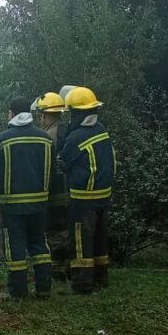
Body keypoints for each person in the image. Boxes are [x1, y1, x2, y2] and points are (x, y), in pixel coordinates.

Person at [0, 96, 54, 299]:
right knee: (39, 244)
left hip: (12, 205)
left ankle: (17, 291)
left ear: (12, 113)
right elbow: (54, 169)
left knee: (15, 245)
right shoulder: (46, 138)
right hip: (40, 203)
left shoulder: (1, 140)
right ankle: (43, 288)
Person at [58, 86, 115, 295]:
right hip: (103, 195)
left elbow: (63, 163)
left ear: (77, 113)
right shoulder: (101, 129)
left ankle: (82, 284)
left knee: (81, 241)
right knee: (100, 239)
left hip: (83, 199)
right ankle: (101, 277)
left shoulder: (77, 137)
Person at [31, 91, 69, 282]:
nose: (41, 119)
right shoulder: (66, 129)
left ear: (48, 114)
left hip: (54, 190)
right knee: (63, 228)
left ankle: (57, 269)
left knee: (55, 229)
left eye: (42, 115)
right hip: (67, 189)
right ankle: (63, 265)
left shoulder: (50, 135)